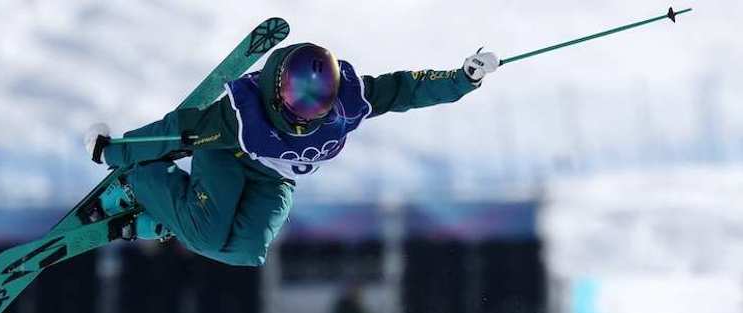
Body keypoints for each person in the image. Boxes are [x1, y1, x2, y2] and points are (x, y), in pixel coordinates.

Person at [83, 44, 497, 263]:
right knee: (207, 231)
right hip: (232, 156)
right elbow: (178, 132)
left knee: (249, 252)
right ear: (278, 87)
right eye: (297, 99)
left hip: (275, 177)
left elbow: (406, 88)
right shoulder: (243, 114)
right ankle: (138, 186)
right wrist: (114, 151)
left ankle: (163, 220)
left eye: (318, 102)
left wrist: (463, 79)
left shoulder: (350, 100)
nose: (307, 111)